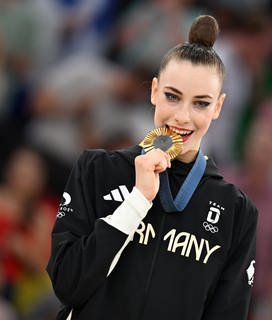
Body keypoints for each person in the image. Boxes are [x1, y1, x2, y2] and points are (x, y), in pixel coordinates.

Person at [46, 15, 258, 320]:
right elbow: (68, 285)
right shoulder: (97, 170)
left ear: (218, 107)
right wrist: (137, 201)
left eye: (200, 103)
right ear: (154, 91)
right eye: (172, 96)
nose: (183, 117)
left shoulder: (236, 211)